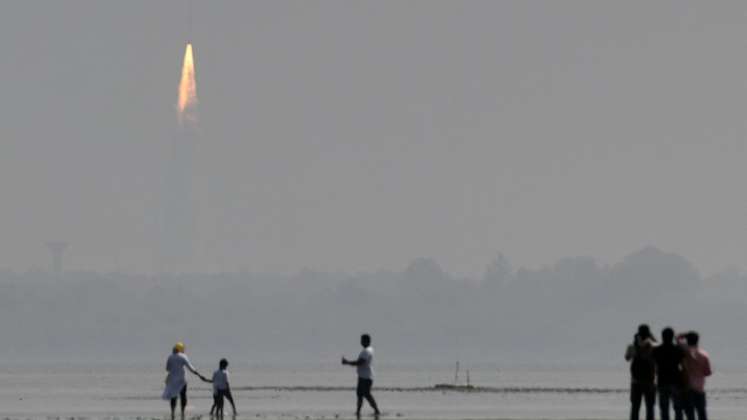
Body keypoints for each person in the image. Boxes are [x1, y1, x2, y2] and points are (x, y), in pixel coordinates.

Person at [162, 342, 207, 419]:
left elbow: (167, 369)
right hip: (182, 380)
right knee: (183, 396)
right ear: (181, 349)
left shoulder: (170, 357)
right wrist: (199, 375)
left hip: (173, 380)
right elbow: (190, 368)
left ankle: (173, 412)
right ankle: (182, 412)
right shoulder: (183, 356)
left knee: (173, 396)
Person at [342, 333, 381, 417]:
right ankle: (358, 411)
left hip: (366, 377)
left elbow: (360, 363)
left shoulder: (366, 351)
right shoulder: (370, 349)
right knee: (360, 394)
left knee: (366, 394)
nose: (361, 342)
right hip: (363, 376)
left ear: (366, 341)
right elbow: (360, 362)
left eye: (362, 340)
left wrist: (347, 362)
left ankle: (377, 410)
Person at [652, 327, 686, 420]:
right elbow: (683, 365)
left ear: (662, 337)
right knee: (678, 408)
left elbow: (653, 365)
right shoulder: (677, 349)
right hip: (676, 380)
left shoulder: (657, 350)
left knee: (664, 409)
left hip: (662, 380)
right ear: (672, 337)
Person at [625, 324, 657, 420]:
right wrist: (652, 338)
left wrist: (637, 344)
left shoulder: (632, 347)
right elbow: (658, 348)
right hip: (650, 381)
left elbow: (627, 358)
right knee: (650, 407)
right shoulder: (653, 347)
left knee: (635, 407)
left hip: (636, 381)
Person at [679, 331, 712, 420]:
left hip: (687, 387)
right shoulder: (704, 354)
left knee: (689, 413)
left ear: (687, 340)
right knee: (702, 413)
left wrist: (683, 335)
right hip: (699, 388)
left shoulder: (684, 351)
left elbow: (677, 339)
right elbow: (708, 372)